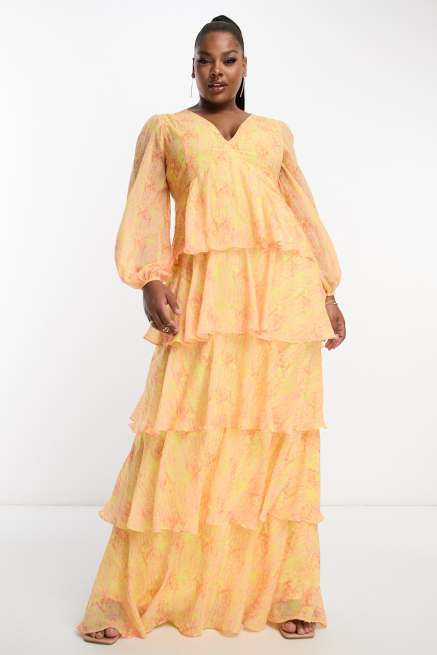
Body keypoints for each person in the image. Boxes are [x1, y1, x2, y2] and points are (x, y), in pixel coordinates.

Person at [76, 14, 346, 644]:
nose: (216, 70)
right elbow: (146, 205)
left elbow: (302, 213)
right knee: (181, 435)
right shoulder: (167, 131)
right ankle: (131, 597)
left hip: (279, 303)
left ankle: (284, 593)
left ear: (245, 65)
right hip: (204, 300)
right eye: (205, 59)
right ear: (192, 66)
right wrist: (150, 278)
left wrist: (328, 292)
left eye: (228, 59)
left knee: (272, 442)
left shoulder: (274, 134)